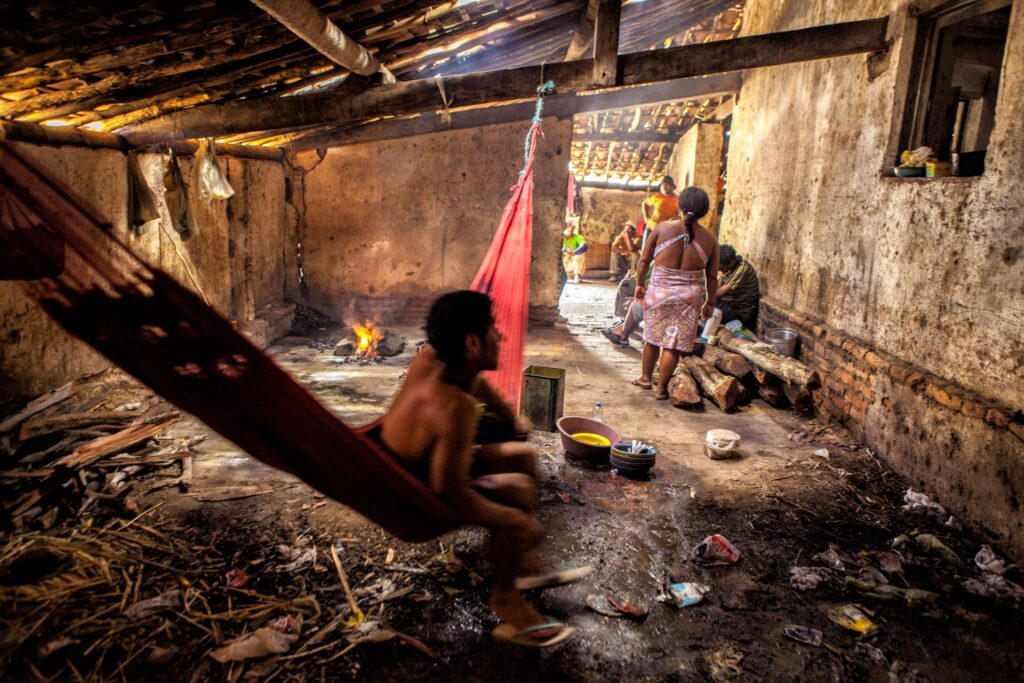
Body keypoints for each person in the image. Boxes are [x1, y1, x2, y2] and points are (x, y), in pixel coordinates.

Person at [372, 291, 576, 647]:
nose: (501, 336)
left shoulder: (431, 358)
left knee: (522, 456)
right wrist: (517, 520)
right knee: (518, 492)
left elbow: (476, 382)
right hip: (415, 494)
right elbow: (450, 491)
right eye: (493, 329)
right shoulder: (456, 408)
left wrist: (509, 418)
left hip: (415, 462)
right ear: (471, 342)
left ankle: (515, 559)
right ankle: (505, 597)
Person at [633, 187, 719, 400]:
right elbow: (712, 277)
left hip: (658, 294)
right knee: (672, 345)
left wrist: (639, 284)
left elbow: (644, 261)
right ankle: (661, 389)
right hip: (689, 299)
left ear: (679, 206)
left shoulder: (662, 228)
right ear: (704, 212)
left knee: (652, 338)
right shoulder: (710, 240)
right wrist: (709, 302)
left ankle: (645, 378)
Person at [715, 244, 760, 330]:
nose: (718, 269)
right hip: (728, 306)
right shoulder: (729, 269)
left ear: (731, 263)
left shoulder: (743, 268)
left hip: (739, 314)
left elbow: (719, 293)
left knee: (706, 298)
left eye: (720, 267)